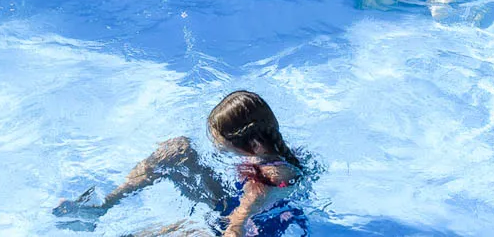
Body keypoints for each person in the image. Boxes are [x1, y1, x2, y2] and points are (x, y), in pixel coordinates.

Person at [53, 90, 309, 237]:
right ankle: (103, 205)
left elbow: (238, 224)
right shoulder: (270, 151)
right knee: (178, 149)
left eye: (224, 144)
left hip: (255, 231)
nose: (217, 146)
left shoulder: (267, 178)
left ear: (254, 145)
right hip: (231, 209)